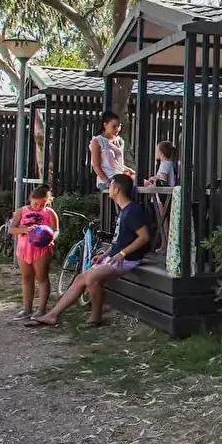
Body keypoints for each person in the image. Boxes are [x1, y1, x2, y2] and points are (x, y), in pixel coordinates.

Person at [27, 173, 149, 328]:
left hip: (127, 259)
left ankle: (95, 318)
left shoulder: (132, 211)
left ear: (117, 190)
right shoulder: (123, 211)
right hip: (115, 257)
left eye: (110, 185)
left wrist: (123, 253)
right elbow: (119, 241)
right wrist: (105, 254)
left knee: (91, 279)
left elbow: (144, 237)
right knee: (80, 278)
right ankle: (52, 315)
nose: (108, 188)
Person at [8, 184, 59, 319]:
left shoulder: (49, 213)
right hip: (24, 249)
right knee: (26, 277)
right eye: (36, 204)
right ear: (31, 199)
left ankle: (41, 309)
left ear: (47, 202)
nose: (38, 207)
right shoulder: (21, 211)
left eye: (42, 205)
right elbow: (11, 229)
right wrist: (25, 230)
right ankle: (26, 308)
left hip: (41, 250)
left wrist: (51, 237)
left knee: (42, 277)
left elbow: (56, 230)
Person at [88, 111, 130, 192]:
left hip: (120, 176)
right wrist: (108, 182)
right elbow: (96, 166)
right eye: (114, 126)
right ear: (105, 125)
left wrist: (131, 171)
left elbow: (119, 164)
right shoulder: (97, 141)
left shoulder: (119, 141)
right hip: (107, 178)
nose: (117, 129)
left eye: (119, 126)